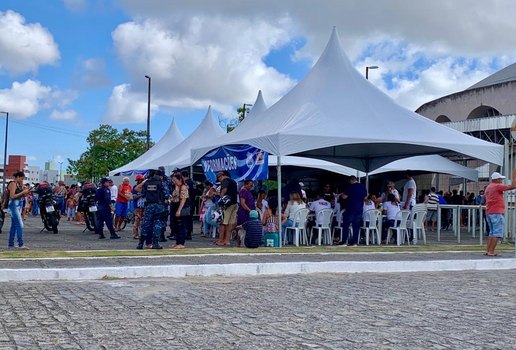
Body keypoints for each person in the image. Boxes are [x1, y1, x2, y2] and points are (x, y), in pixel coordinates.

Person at [484, 170, 516, 256]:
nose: (501, 181)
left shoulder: (488, 187)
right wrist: (514, 175)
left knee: (492, 232)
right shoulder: (497, 186)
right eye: (500, 179)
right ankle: (491, 251)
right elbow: (514, 186)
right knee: (497, 233)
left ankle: (488, 250)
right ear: (496, 179)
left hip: (489, 212)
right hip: (497, 212)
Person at [137, 170, 169, 249]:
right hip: (159, 206)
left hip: (148, 206)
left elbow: (143, 194)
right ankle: (155, 243)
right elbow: (166, 194)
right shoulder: (161, 183)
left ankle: (140, 243)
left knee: (146, 224)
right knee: (157, 224)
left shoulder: (146, 183)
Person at [337, 175, 367, 246]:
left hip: (351, 207)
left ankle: (344, 241)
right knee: (356, 225)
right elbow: (365, 197)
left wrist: (341, 195)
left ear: (351, 180)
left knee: (346, 224)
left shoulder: (350, 187)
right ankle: (354, 242)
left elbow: (344, 197)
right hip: (360, 207)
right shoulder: (362, 187)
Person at [7, 171, 31, 249]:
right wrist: (23, 192)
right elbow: (12, 196)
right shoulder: (13, 184)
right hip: (13, 205)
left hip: (17, 205)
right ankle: (20, 244)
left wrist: (25, 191)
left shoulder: (18, 184)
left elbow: (20, 196)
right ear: (17, 177)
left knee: (14, 226)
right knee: (20, 225)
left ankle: (11, 244)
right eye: (21, 178)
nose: (22, 180)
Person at [214, 171, 238, 246]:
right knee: (230, 224)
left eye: (219, 179)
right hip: (234, 203)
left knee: (223, 223)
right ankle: (227, 240)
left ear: (221, 176)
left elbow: (224, 190)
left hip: (226, 205)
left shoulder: (225, 181)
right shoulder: (233, 181)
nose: (219, 181)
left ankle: (221, 240)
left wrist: (220, 199)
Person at [170, 173, 189, 249]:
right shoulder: (176, 187)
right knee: (176, 226)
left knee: (181, 225)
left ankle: (181, 242)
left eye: (175, 180)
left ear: (180, 180)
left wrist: (179, 210)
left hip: (181, 208)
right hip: (174, 206)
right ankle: (177, 242)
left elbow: (183, 200)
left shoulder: (183, 187)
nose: (174, 182)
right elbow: (173, 197)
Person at [181, 170, 196, 240]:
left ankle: (187, 234)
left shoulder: (186, 183)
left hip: (187, 203)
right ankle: (189, 233)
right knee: (190, 219)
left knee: (185, 219)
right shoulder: (193, 182)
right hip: (192, 202)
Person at [132, 174, 145, 239]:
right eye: (141, 180)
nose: (142, 181)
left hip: (144, 206)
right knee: (137, 220)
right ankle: (135, 234)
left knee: (144, 220)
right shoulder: (135, 187)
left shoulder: (145, 186)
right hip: (137, 206)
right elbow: (134, 197)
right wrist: (141, 195)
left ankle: (143, 234)